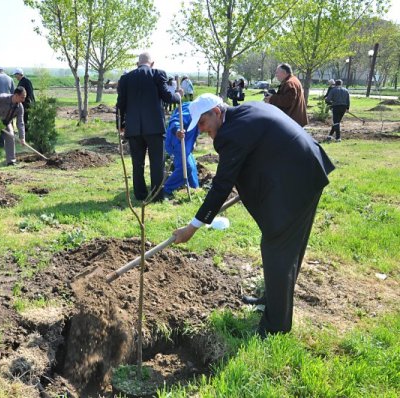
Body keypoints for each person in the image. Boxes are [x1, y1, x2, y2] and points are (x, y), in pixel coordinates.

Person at [172, 94, 335, 337]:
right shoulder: (247, 111)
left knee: (277, 245)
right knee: (285, 246)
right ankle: (272, 300)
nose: (203, 130)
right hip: (304, 168)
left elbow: (221, 185)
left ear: (217, 112)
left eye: (204, 123)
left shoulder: (231, 134)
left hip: (298, 178)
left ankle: (275, 327)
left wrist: (193, 227)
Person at [116, 52, 182, 202]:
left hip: (133, 128)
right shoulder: (158, 74)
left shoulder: (126, 78)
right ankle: (156, 195)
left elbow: (120, 104)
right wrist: (178, 95)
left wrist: (120, 125)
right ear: (152, 63)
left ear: (137, 64)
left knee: (137, 162)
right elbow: (167, 97)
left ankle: (139, 194)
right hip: (154, 128)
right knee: (157, 162)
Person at [164, 102, 200, 196]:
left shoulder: (201, 111)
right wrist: (178, 129)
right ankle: (166, 190)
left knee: (191, 166)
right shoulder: (191, 109)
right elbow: (175, 120)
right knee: (186, 167)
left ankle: (195, 190)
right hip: (177, 141)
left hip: (186, 144)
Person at [0, 86, 28, 166]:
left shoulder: (20, 107)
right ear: (16, 95)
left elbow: (20, 123)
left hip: (6, 122)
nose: (23, 100)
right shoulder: (1, 98)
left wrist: (22, 137)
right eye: (22, 97)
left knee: (11, 137)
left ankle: (11, 161)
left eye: (24, 98)